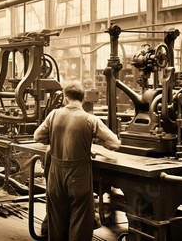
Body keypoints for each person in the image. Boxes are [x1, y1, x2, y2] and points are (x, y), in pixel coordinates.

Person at [33, 81, 120, 241]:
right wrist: (91, 141)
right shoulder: (90, 119)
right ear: (84, 98)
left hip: (55, 175)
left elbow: (37, 136)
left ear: (65, 98)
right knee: (80, 222)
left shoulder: (53, 115)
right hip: (78, 176)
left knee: (56, 221)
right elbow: (115, 143)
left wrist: (54, 141)